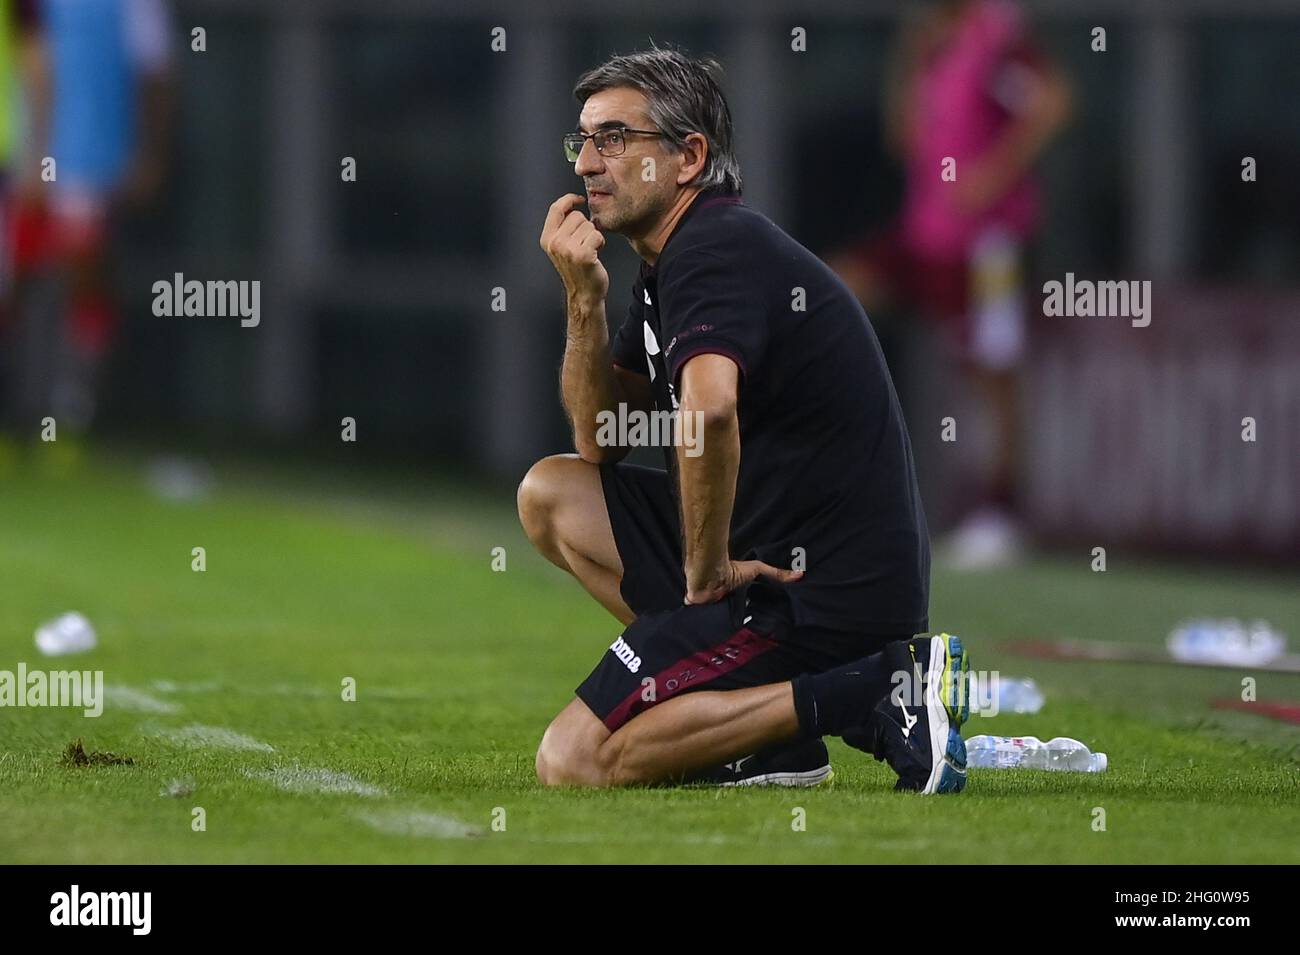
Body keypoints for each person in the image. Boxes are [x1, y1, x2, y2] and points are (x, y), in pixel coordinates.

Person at [519, 46, 969, 793]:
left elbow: (711, 408)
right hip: (773, 558)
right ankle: (767, 741)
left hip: (817, 587)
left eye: (614, 139)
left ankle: (876, 689)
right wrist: (583, 300)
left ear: (688, 156)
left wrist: (704, 569)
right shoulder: (671, 262)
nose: (587, 163)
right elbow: (599, 439)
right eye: (583, 140)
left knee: (574, 761)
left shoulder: (714, 250)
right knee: (551, 493)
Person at [828, 0, 1071, 568]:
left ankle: (1001, 513)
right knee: (826, 290)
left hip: (988, 240)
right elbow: (904, 138)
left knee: (993, 372)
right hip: (927, 233)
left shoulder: (999, 39)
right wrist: (909, 58)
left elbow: (1054, 102)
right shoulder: (936, 43)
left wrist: (991, 176)